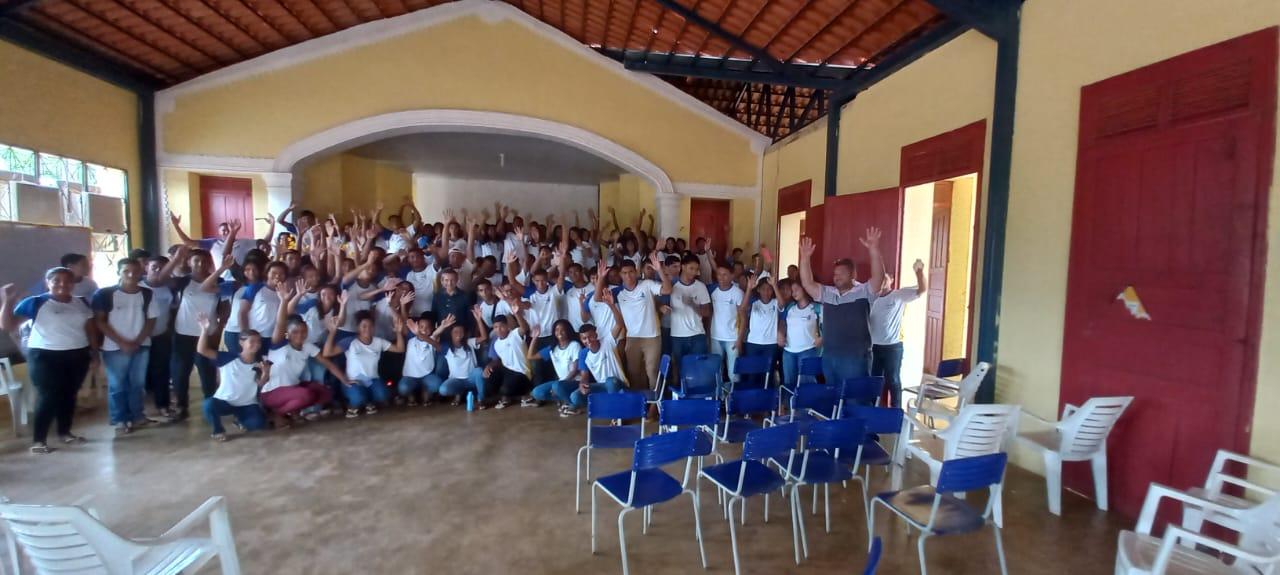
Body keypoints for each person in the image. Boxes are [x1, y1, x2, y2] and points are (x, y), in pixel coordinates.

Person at [1, 270, 96, 454]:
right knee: (48, 396)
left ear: (73, 284)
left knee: (69, 395)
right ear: (47, 282)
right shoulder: (36, 302)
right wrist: (7, 300)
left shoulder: (81, 302)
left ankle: (65, 433)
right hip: (45, 356)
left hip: (77, 354)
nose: (62, 284)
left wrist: (94, 352)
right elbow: (7, 325)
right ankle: (39, 440)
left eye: (67, 281)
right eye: (56, 281)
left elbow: (90, 328)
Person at [798, 229, 884, 389]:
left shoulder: (864, 291)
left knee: (855, 400)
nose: (836, 277)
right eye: (835, 274)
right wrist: (805, 258)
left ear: (853, 275)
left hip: (855, 358)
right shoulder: (827, 293)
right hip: (830, 356)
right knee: (833, 399)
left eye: (841, 274)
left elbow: (879, 278)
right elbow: (807, 283)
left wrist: (874, 250)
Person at [262, 280, 344, 426]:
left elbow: (328, 364)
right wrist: (284, 301)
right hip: (272, 391)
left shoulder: (307, 346)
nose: (299, 335)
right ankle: (277, 414)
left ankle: (292, 411)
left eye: (303, 331)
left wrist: (346, 380)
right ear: (288, 333)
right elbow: (281, 323)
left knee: (325, 393)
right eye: (295, 332)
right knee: (306, 395)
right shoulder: (279, 344)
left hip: (292, 388)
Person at [93, 258, 161, 434]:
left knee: (137, 384)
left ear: (141, 272)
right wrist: (122, 342)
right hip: (114, 347)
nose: (131, 275)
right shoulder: (105, 294)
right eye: (126, 271)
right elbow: (100, 321)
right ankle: (120, 419)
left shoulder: (147, 294)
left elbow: (151, 319)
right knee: (117, 384)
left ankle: (137, 416)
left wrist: (138, 341)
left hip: (141, 345)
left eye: (135, 271)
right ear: (118, 273)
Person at [194, 312, 267, 442]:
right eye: (252, 341)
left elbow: (260, 384)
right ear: (241, 343)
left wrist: (266, 373)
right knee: (209, 405)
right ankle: (218, 430)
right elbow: (202, 350)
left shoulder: (260, 362)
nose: (256, 344)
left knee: (258, 424)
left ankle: (239, 420)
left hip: (247, 404)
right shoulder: (227, 357)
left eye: (258, 341)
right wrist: (204, 330)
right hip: (225, 401)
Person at [323, 304, 406, 418]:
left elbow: (400, 349)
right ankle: (354, 405)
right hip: (353, 381)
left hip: (372, 380)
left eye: (371, 326)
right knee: (358, 398)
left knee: (383, 396)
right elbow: (327, 353)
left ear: (374, 328)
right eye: (364, 326)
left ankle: (368, 402)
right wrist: (332, 332)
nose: (368, 329)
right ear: (358, 328)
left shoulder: (378, 342)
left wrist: (398, 332)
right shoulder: (350, 341)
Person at [610, 254, 672, 391]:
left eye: (631, 272)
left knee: (652, 372)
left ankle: (654, 406)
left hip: (652, 337)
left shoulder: (647, 284)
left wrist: (659, 270)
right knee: (634, 373)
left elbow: (668, 289)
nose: (628, 276)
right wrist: (601, 277)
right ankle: (642, 403)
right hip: (632, 338)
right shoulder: (617, 292)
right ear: (620, 275)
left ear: (637, 272)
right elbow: (597, 298)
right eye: (624, 273)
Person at [869, 259, 926, 408]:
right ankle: (876, 410)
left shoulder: (898, 295)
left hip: (892, 347)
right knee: (875, 380)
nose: (881, 282)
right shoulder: (871, 298)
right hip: (874, 346)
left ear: (891, 279)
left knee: (893, 379)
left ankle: (896, 411)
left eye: (885, 278)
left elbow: (922, 290)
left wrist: (919, 272)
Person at [141, 249, 184, 418]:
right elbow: (155, 281)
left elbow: (173, 310)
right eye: (154, 267)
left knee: (162, 372)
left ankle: (163, 405)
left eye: (162, 268)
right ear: (146, 268)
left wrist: (169, 329)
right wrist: (176, 259)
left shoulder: (169, 288)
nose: (158, 271)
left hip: (161, 335)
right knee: (141, 374)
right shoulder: (140, 286)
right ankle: (140, 409)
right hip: (140, 337)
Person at [567, 301, 627, 416]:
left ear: (596, 335)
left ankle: (617, 414)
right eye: (584, 338)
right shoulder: (584, 353)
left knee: (610, 381)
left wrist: (611, 305)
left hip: (617, 384)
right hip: (602, 386)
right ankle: (604, 406)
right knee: (575, 396)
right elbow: (584, 375)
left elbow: (620, 324)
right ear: (581, 340)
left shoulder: (608, 341)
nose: (588, 341)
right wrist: (582, 384)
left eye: (590, 336)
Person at [668, 254, 711, 383]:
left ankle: (696, 397)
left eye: (696, 269)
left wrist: (693, 304)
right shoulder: (672, 285)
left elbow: (707, 312)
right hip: (677, 335)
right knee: (678, 368)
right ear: (683, 267)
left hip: (697, 334)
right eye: (691, 268)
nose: (694, 272)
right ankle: (679, 396)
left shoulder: (700, 287)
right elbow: (659, 301)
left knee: (698, 369)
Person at [437, 306, 490, 407]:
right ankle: (460, 393)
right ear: (451, 334)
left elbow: (484, 337)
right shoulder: (447, 347)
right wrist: (442, 327)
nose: (459, 335)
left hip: (471, 379)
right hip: (456, 380)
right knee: (443, 390)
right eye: (456, 332)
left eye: (461, 332)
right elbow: (432, 341)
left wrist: (479, 320)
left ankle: (481, 400)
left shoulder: (469, 342)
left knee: (478, 371)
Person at [526, 319, 582, 413]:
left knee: (557, 386)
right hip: (560, 383)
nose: (559, 332)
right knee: (536, 392)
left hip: (574, 381)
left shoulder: (574, 345)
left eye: (562, 330)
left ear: (568, 331)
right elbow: (530, 356)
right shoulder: (553, 348)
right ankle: (563, 399)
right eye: (557, 330)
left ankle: (572, 405)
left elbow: (575, 370)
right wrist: (535, 337)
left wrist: (561, 384)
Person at [779, 279, 822, 398]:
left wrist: (822, 338)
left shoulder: (817, 308)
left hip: (808, 350)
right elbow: (782, 322)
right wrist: (780, 333)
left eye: (796, 289)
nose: (794, 293)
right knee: (789, 382)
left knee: (807, 380)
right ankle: (790, 408)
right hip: (789, 350)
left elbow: (829, 325)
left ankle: (808, 408)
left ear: (805, 289)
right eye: (792, 291)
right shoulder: (790, 307)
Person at [738, 268, 780, 388]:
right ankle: (752, 401)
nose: (766, 292)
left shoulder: (775, 303)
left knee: (768, 374)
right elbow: (742, 309)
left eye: (769, 289)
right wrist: (748, 288)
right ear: (758, 290)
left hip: (771, 344)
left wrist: (775, 286)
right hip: (753, 343)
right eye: (763, 289)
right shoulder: (754, 302)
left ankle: (765, 400)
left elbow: (782, 304)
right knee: (752, 373)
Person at [483, 313, 533, 409]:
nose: (499, 329)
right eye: (496, 327)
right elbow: (498, 360)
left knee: (506, 389)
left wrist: (517, 314)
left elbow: (524, 328)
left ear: (507, 326)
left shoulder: (515, 334)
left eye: (502, 326)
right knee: (490, 376)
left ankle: (523, 396)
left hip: (522, 373)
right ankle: (505, 398)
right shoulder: (496, 344)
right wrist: (489, 366)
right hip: (509, 372)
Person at [398, 312, 448, 405]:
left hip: (427, 376)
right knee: (403, 388)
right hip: (410, 376)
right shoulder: (410, 338)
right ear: (416, 326)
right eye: (421, 326)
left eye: (427, 327)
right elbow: (404, 320)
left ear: (432, 328)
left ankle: (426, 391)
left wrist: (443, 326)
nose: (424, 329)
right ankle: (411, 395)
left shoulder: (432, 339)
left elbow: (437, 339)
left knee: (437, 385)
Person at [709, 264, 745, 387]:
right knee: (716, 370)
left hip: (732, 338)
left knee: (733, 373)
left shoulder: (738, 293)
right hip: (715, 337)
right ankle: (719, 398)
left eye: (724, 275)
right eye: (719, 274)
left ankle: (733, 400)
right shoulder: (713, 291)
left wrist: (740, 339)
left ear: (731, 276)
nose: (721, 277)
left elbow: (743, 318)